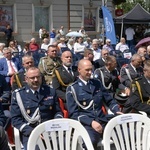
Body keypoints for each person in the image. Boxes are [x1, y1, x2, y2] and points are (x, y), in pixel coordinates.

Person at [66, 59, 122, 148]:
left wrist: (116, 109)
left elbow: (109, 100)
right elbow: (73, 113)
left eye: (91, 69)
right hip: (87, 124)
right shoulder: (72, 89)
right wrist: (91, 122)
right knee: (90, 142)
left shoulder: (97, 83)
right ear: (79, 70)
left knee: (125, 134)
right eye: (87, 70)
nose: (90, 72)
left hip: (102, 120)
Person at [11, 67, 63, 150]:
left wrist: (56, 124)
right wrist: (32, 132)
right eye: (32, 78)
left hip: (50, 132)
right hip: (30, 134)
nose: (35, 80)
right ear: (26, 79)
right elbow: (15, 119)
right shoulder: (18, 95)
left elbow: (58, 111)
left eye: (38, 77)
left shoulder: (50, 91)